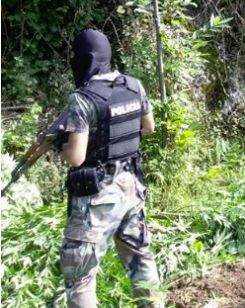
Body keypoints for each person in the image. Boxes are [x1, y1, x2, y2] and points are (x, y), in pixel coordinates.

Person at [57, 29, 163, 308]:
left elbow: (76, 158)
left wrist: (62, 143)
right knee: (141, 259)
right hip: (132, 188)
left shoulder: (82, 98)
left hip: (98, 199)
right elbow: (149, 128)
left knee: (79, 275)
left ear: (83, 59)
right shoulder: (133, 85)